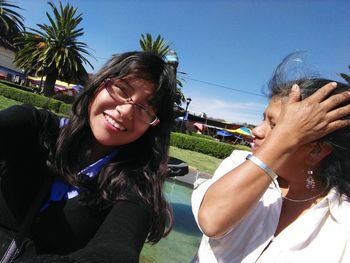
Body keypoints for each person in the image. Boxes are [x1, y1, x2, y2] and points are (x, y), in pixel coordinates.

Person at [0, 51, 176, 263]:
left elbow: (116, 253)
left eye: (144, 108)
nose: (126, 111)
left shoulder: (135, 191)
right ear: (99, 85)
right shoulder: (34, 126)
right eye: (122, 89)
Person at [191, 56, 350, 262]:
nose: (256, 131)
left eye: (276, 126)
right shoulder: (239, 163)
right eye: (263, 118)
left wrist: (285, 137)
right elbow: (212, 221)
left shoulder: (342, 221)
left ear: (316, 151)